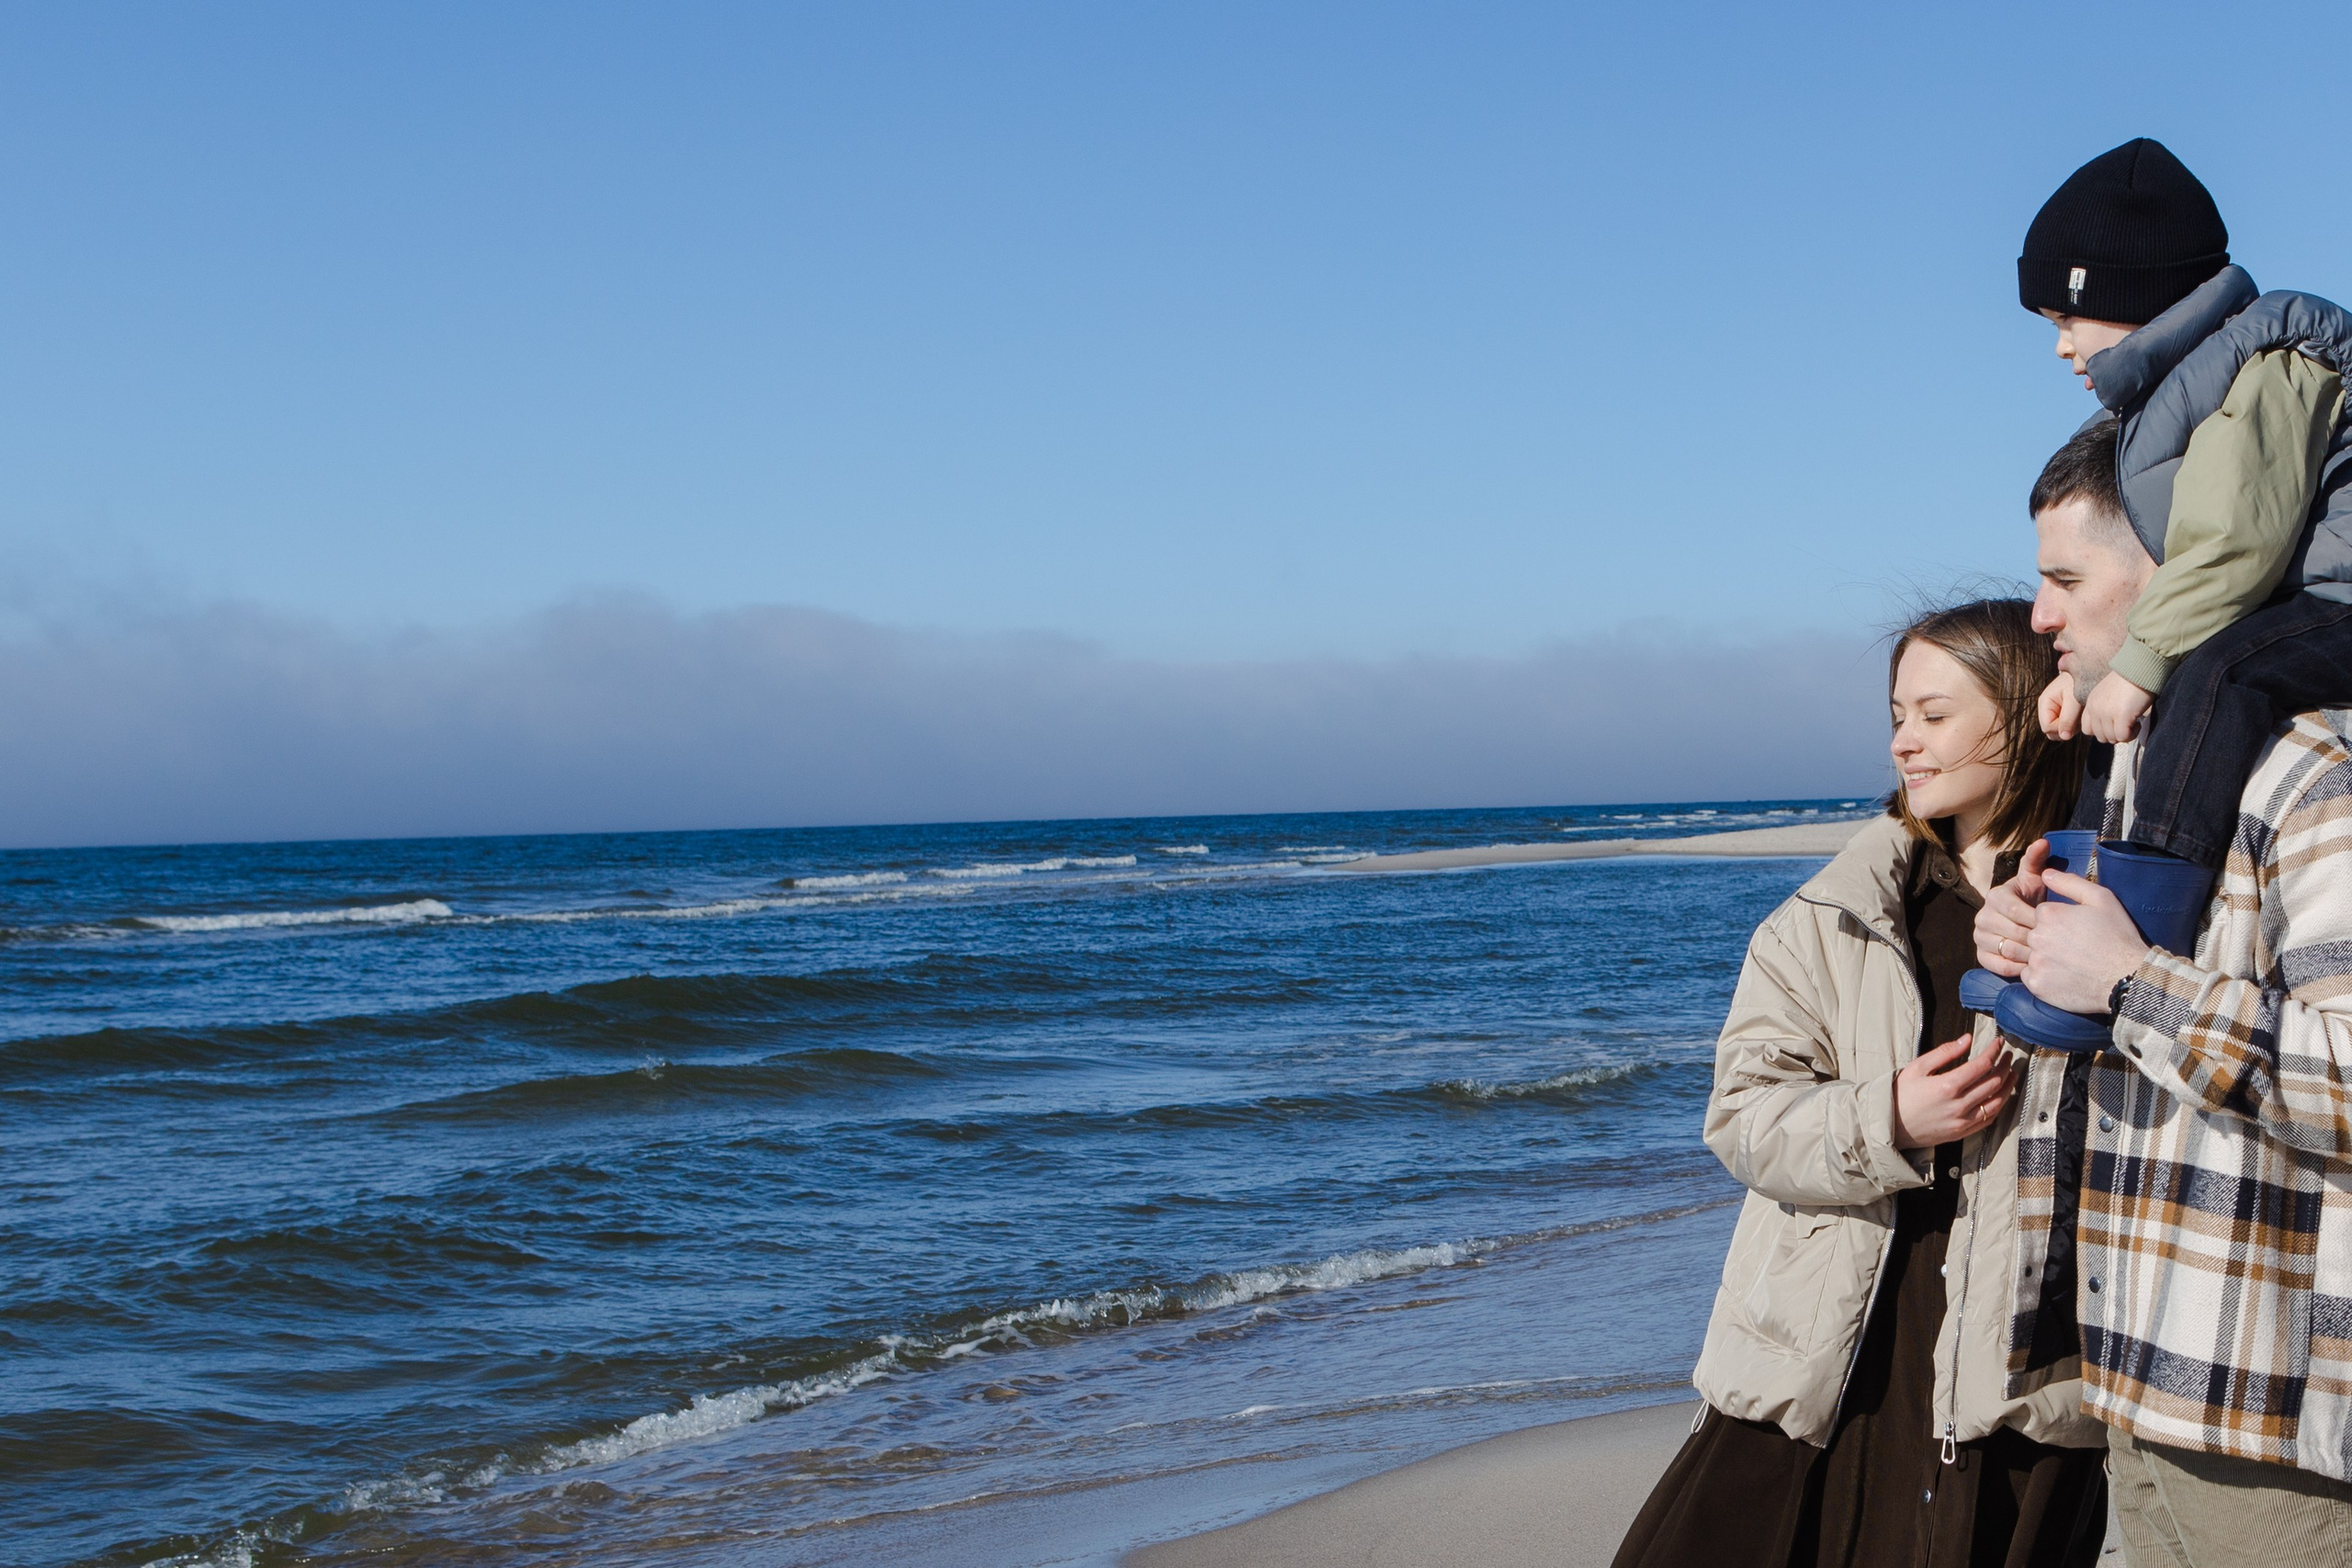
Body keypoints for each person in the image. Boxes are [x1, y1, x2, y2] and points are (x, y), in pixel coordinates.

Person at [1612, 601, 2107, 1568]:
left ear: (2024, 716)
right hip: (1821, 1362)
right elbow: (1743, 1118)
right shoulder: (1830, 917)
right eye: (1896, 716)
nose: (1903, 744)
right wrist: (1886, 1119)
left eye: (1932, 715)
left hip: (2014, 1379)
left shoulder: (2100, 914)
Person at [1973, 431, 2352, 1565]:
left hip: (2269, 1419)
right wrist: (2023, 957)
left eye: (2065, 580)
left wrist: (2131, 981)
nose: (2039, 615)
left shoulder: (2316, 777)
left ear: (2180, 572)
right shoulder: (2142, 769)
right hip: (2133, 1372)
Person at [1984, 137, 2352, 1050]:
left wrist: (2139, 661)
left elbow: (2235, 543)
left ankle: (2145, 930)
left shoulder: (2275, 363)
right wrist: (2101, 669)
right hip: (2301, 593)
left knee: (2221, 675)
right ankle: (2068, 911)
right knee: (2156, 698)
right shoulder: (2182, 389)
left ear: (2127, 297)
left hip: (2338, 596)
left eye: (2066, 319)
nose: (2062, 348)